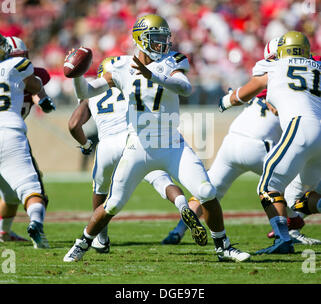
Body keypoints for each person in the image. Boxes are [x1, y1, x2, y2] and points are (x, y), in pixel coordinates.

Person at [63, 14, 250, 262]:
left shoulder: (173, 61)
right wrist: (76, 74)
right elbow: (88, 91)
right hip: (138, 146)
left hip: (172, 144)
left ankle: (223, 246)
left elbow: (185, 87)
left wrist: (152, 75)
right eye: (156, 38)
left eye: (164, 37)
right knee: (114, 203)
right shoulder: (119, 65)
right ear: (141, 39)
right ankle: (82, 243)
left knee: (206, 190)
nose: (163, 43)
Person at [162, 37, 321, 246]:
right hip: (261, 145)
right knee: (288, 191)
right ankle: (289, 230)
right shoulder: (297, 76)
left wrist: (227, 100)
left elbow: (245, 94)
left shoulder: (272, 74)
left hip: (233, 141)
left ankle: (177, 230)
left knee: (208, 190)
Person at [68, 56, 208, 253]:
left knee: (103, 192)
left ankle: (101, 237)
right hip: (132, 138)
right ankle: (181, 204)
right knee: (160, 178)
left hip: (107, 144)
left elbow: (74, 124)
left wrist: (86, 144)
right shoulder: (131, 80)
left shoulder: (94, 90)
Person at [219, 31, 321, 254]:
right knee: (298, 198)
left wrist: (225, 101)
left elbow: (243, 95)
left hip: (301, 128)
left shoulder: (274, 66)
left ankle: (283, 239)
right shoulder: (318, 67)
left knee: (268, 186)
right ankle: (286, 235)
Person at [0, 36, 55, 244]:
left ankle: (4, 232)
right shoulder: (20, 68)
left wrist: (41, 98)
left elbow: (32, 88)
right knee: (32, 188)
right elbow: (33, 84)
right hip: (11, 132)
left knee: (11, 194)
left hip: (11, 131)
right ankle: (36, 226)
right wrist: (41, 98)